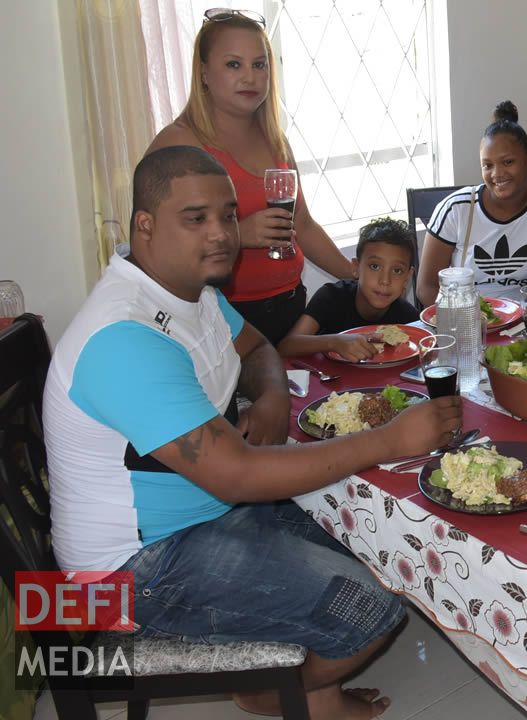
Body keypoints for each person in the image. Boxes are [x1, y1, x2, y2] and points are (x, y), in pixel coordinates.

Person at [43, 147, 462, 720]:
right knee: (373, 608)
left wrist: (270, 398)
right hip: (129, 569)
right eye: (195, 218)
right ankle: (270, 690)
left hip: (208, 513)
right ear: (145, 225)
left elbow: (258, 346)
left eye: (227, 214)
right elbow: (238, 475)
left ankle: (294, 674)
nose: (221, 233)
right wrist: (390, 439)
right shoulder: (124, 336)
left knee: (382, 545)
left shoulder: (192, 291)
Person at [146, 9, 352, 346]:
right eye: (233, 64)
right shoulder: (178, 143)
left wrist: (356, 275)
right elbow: (154, 245)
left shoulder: (275, 139)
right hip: (220, 315)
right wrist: (238, 234)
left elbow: (302, 224)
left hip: (289, 306)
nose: (250, 77)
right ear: (203, 72)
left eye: (259, 65)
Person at [416, 101, 527, 306]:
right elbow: (426, 287)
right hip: (466, 316)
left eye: (508, 162)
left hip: (526, 318)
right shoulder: (456, 209)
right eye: (487, 165)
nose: (497, 174)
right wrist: (467, 319)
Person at [278, 217, 419, 360]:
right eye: (375, 266)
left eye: (397, 271)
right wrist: (334, 342)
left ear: (407, 277)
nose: (385, 280)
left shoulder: (407, 316)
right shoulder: (331, 297)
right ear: (356, 268)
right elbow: (286, 347)